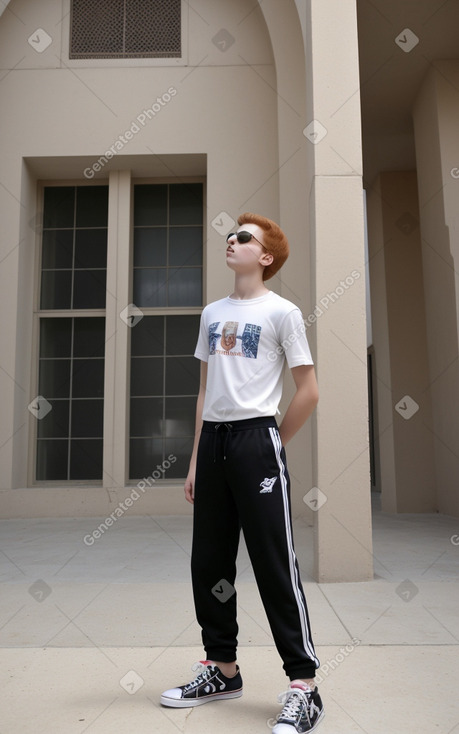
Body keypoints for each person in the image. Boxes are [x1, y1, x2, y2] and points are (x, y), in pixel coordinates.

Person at [160, 212, 324, 733]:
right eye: (231, 235)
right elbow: (205, 391)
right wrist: (194, 461)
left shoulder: (283, 313)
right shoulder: (212, 313)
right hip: (213, 445)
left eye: (244, 238)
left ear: (267, 257)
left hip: (257, 439)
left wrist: (272, 441)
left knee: (274, 561)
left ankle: (304, 686)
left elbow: (309, 389)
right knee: (209, 562)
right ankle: (222, 669)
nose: (232, 240)